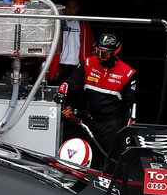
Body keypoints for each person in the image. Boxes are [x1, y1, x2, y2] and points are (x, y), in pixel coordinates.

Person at [53, 32, 137, 165]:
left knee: (109, 164)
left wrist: (127, 132)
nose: (99, 57)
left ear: (115, 53)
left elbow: (130, 106)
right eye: (96, 52)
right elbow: (71, 81)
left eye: (104, 54)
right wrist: (61, 92)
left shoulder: (127, 73)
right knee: (85, 159)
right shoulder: (87, 63)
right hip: (89, 121)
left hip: (111, 126)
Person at [50, 0, 94, 86]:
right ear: (65, 8)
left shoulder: (83, 24)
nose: (71, 10)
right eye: (69, 7)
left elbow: (90, 44)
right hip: (59, 65)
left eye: (74, 8)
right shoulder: (58, 22)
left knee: (75, 93)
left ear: (78, 9)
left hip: (76, 65)